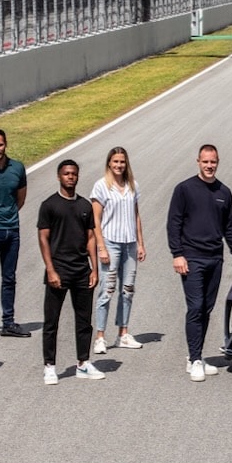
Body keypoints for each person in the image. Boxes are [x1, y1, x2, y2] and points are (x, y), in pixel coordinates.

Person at [167, 144, 232, 382]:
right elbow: (174, 224)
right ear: (198, 162)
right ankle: (194, 360)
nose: (209, 166)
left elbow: (230, 227)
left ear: (217, 162)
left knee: (206, 309)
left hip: (215, 258)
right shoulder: (184, 189)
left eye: (213, 162)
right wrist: (177, 254)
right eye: (205, 162)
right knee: (195, 307)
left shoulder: (224, 192)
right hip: (191, 259)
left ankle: (196, 356)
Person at [37, 159, 105, 384]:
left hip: (81, 271)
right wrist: (51, 270)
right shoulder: (49, 205)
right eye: (66, 174)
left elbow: (90, 239)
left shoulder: (85, 206)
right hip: (58, 270)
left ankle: (83, 363)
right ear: (59, 176)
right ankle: (49, 366)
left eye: (74, 174)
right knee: (51, 322)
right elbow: (43, 238)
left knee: (84, 321)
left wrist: (94, 269)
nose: (70, 177)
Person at [91, 147, 146, 355]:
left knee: (128, 289)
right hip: (110, 243)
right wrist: (101, 247)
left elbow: (136, 215)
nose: (119, 165)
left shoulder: (133, 185)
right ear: (109, 163)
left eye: (122, 162)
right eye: (115, 162)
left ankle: (123, 333)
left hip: (130, 243)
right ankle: (100, 336)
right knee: (107, 290)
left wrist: (140, 243)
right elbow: (95, 219)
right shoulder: (101, 186)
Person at [0, 128, 30, 342]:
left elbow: (20, 198)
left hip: (12, 230)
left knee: (9, 278)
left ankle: (8, 322)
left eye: (0, 145)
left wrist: (7, 217)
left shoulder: (17, 168)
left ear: (5, 144)